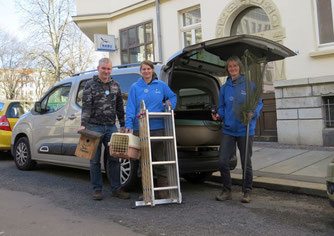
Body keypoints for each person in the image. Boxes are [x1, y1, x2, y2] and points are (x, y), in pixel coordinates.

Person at [212, 56, 263, 203]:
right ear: (227, 69)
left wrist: (252, 113)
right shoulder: (224, 88)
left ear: (239, 67)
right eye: (230, 67)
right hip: (228, 129)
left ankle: (247, 191)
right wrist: (218, 115)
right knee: (222, 161)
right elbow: (222, 107)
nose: (233, 69)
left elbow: (258, 103)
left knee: (246, 161)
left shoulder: (249, 86)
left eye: (235, 66)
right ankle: (227, 190)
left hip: (245, 129)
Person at [79, 57, 130, 201]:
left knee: (114, 158)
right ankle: (97, 189)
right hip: (93, 126)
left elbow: (120, 106)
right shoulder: (90, 85)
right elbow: (86, 106)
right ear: (98, 68)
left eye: (108, 69)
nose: (106, 71)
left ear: (111, 70)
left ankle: (116, 189)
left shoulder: (116, 85)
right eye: (104, 69)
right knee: (94, 160)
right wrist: (84, 123)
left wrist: (123, 124)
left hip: (111, 127)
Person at [125, 60, 177, 199]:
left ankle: (163, 192)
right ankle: (146, 192)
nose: (146, 71)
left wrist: (171, 104)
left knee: (160, 160)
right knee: (144, 162)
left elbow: (172, 96)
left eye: (148, 69)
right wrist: (129, 126)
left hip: (158, 128)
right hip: (140, 129)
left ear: (152, 70)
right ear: (140, 71)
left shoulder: (161, 85)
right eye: (143, 69)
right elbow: (130, 108)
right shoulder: (135, 87)